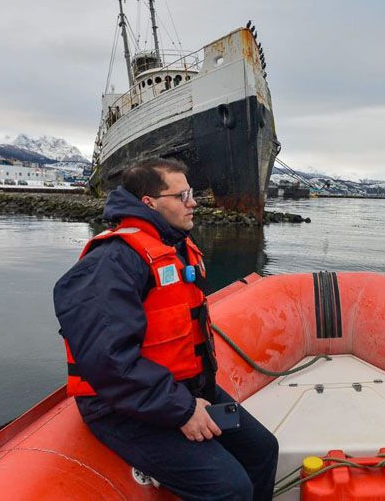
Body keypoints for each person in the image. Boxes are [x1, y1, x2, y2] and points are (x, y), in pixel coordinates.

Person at [54, 159, 279, 500]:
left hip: (178, 390)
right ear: (150, 203)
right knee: (229, 488)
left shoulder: (173, 246)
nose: (194, 202)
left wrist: (189, 400)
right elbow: (108, 361)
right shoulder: (112, 261)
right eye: (183, 195)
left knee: (263, 449)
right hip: (124, 407)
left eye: (192, 193)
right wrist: (183, 411)